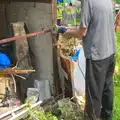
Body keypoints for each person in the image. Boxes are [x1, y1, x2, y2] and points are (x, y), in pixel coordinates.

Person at [63, 0, 116, 120]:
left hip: (97, 55)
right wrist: (73, 29)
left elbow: (82, 32)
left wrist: (68, 33)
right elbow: (95, 23)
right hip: (110, 52)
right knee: (107, 88)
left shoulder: (88, 1)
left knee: (94, 94)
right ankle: (107, 117)